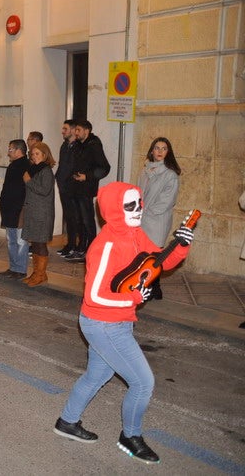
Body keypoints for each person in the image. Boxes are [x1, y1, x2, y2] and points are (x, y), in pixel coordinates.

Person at [53, 181, 194, 464]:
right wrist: (131, 299)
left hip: (117, 321)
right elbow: (93, 296)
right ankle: (130, 437)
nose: (138, 210)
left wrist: (180, 246)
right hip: (103, 323)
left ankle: (67, 422)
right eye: (130, 205)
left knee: (97, 376)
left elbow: (158, 261)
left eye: (139, 203)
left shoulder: (133, 234)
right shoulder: (105, 245)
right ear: (113, 209)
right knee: (143, 383)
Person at [136, 137, 181, 300]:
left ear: (168, 152)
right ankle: (147, 286)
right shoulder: (144, 171)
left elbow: (168, 200)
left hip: (157, 220)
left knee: (154, 255)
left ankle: (155, 287)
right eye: (157, 148)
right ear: (152, 151)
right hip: (142, 218)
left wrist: (147, 210)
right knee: (142, 255)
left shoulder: (170, 175)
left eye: (164, 148)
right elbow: (138, 192)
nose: (160, 151)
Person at [65, 120, 110, 262]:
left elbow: (104, 167)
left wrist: (87, 176)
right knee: (78, 220)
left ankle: (91, 250)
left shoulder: (94, 145)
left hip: (86, 190)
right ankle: (80, 248)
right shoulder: (78, 145)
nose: (75, 133)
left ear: (87, 131)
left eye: (78, 130)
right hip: (75, 188)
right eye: (75, 130)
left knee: (87, 221)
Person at [22, 142, 56, 286]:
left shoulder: (46, 170)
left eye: (37, 154)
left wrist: (29, 182)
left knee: (41, 244)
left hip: (42, 214)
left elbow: (44, 190)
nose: (34, 156)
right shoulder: (34, 169)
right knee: (35, 243)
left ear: (44, 154)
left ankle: (40, 274)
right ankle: (37, 273)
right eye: (32, 154)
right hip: (33, 212)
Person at [0, 139, 29, 279]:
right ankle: (13, 267)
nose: (8, 152)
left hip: (19, 209)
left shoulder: (26, 165)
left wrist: (20, 205)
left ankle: (21, 269)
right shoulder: (13, 166)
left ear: (18, 150)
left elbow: (26, 188)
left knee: (21, 241)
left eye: (10, 150)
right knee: (11, 240)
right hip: (9, 208)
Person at [55, 120, 78, 257]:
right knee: (68, 217)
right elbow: (62, 164)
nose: (62, 131)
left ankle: (75, 246)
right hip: (63, 186)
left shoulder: (78, 147)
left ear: (73, 130)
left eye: (65, 128)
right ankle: (69, 244)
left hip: (73, 187)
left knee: (75, 218)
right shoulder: (64, 146)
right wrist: (58, 177)